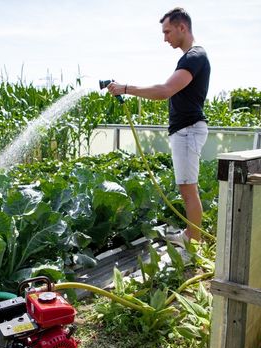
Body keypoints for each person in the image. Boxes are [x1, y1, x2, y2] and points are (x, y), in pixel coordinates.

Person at [107, 7, 211, 246]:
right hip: (185, 130)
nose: (165, 39)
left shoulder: (194, 57)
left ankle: (192, 244)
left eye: (167, 32)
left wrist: (125, 88)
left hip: (188, 130)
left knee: (188, 190)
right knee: (187, 188)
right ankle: (189, 235)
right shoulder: (191, 58)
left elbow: (165, 91)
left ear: (182, 27)